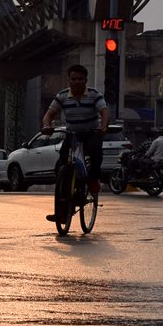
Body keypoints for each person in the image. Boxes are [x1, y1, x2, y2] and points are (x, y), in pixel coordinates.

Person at [42, 64, 109, 221]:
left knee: (95, 151)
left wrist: (103, 126)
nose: (76, 82)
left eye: (80, 79)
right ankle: (62, 213)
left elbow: (104, 112)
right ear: (69, 80)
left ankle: (93, 180)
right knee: (61, 167)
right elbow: (49, 114)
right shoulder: (63, 95)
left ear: (85, 80)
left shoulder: (94, 94)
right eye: (73, 79)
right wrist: (47, 125)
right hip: (72, 135)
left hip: (90, 134)